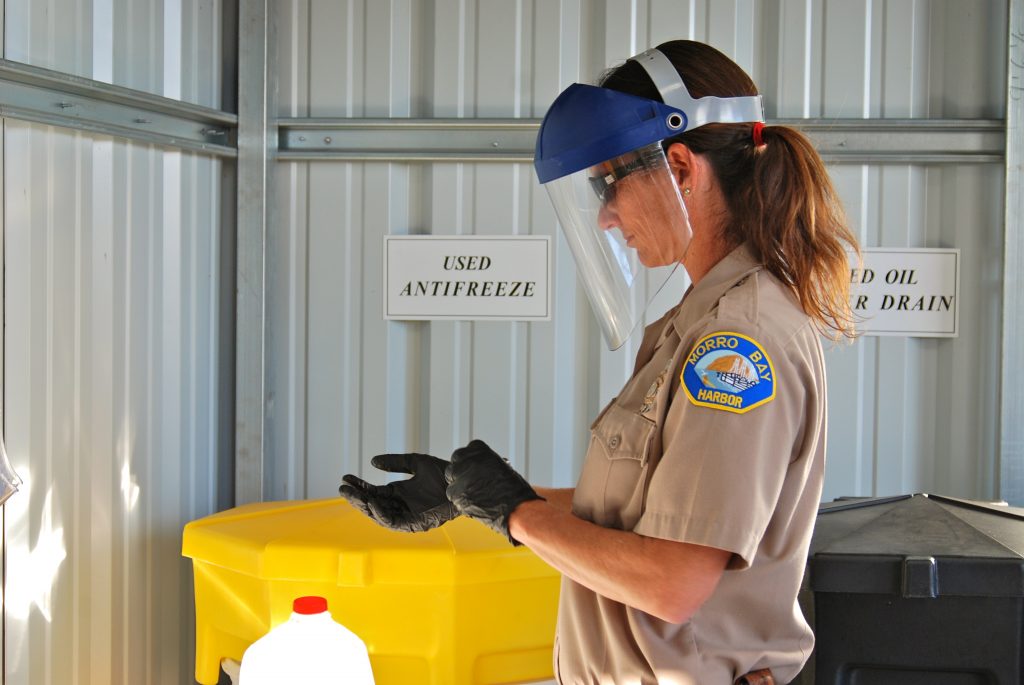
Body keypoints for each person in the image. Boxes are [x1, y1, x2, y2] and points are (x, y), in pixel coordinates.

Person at [340, 40, 859, 685]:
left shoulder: (735, 344)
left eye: (611, 182)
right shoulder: (702, 319)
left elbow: (673, 582)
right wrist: (467, 495)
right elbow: (643, 513)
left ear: (681, 168)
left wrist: (518, 515)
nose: (608, 218)